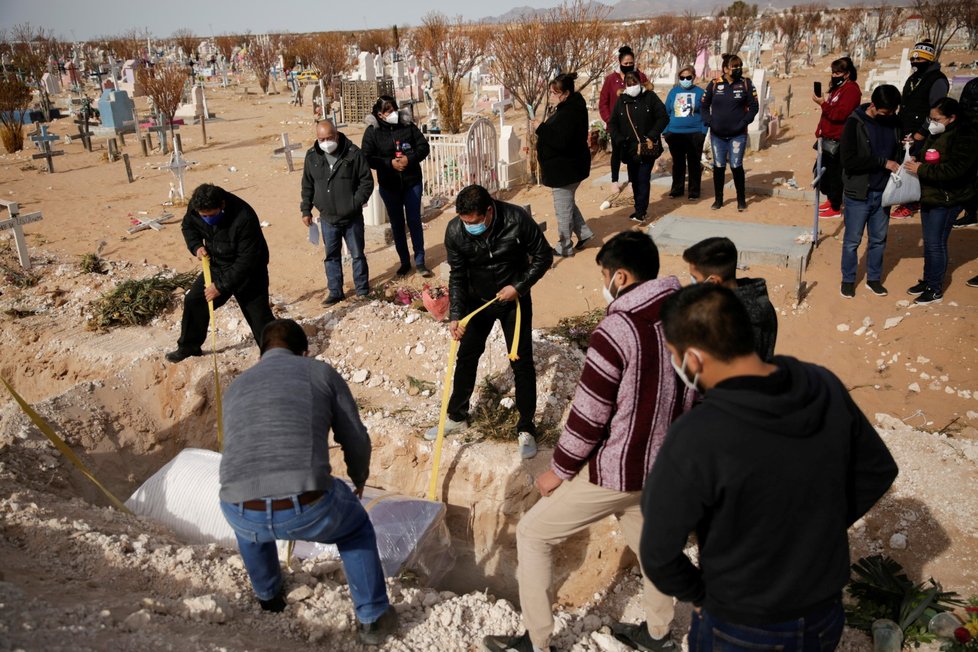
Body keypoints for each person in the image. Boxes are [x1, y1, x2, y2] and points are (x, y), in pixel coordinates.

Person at [641, 284, 899, 652]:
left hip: (742, 624)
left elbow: (657, 552)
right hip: (823, 611)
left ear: (694, 359)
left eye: (674, 355)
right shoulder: (821, 384)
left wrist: (701, 594)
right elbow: (876, 471)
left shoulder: (698, 435)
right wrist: (815, 530)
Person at [483, 232, 693, 652]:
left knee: (534, 534)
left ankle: (537, 642)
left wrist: (558, 472)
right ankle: (657, 634)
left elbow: (590, 416)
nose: (605, 284)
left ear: (621, 276)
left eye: (604, 276)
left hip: (618, 470)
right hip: (664, 467)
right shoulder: (687, 317)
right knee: (651, 546)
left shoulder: (617, 329)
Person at [218, 319, 398, 646]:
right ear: (304, 351)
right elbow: (355, 437)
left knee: (248, 523)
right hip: (306, 505)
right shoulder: (318, 372)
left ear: (261, 355)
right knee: (355, 526)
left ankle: (268, 597)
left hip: (238, 508)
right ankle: (373, 617)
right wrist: (359, 477)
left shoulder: (235, 387)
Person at [427, 185, 553, 458]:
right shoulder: (454, 230)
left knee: (520, 361)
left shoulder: (516, 219)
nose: (468, 226)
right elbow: (457, 275)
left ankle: (526, 428)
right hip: (477, 302)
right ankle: (457, 417)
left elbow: (544, 256)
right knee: (467, 356)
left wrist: (518, 286)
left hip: (513, 302)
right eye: (464, 221)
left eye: (473, 221)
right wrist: (456, 315)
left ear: (488, 211)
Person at [166, 184, 275, 363]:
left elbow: (247, 261)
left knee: (259, 316)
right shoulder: (195, 208)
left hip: (249, 270)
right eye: (204, 216)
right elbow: (188, 227)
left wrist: (221, 286)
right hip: (217, 263)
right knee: (194, 301)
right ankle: (189, 348)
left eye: (211, 215)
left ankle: (277, 355)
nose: (208, 219)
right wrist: (196, 247)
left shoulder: (244, 216)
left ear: (222, 205)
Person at [903, 97, 978, 305]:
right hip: (930, 193)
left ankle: (935, 288)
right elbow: (929, 154)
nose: (932, 122)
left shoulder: (966, 136)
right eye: (930, 118)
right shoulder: (938, 132)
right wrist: (917, 157)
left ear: (952, 118)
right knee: (929, 241)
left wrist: (922, 169)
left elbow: (956, 169)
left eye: (937, 119)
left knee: (936, 243)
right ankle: (928, 280)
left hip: (949, 197)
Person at [839, 84, 903, 299]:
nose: (890, 115)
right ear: (874, 106)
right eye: (886, 112)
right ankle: (848, 280)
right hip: (859, 193)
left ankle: (873, 279)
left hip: (884, 193)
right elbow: (848, 160)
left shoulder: (893, 123)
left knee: (878, 240)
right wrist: (882, 163)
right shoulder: (855, 123)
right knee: (852, 241)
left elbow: (897, 152)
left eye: (893, 112)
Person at [300, 119, 374, 306]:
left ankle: (362, 290)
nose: (325, 143)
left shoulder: (353, 153)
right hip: (327, 218)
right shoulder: (312, 157)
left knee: (357, 254)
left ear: (337, 135)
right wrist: (306, 209)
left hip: (352, 217)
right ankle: (335, 291)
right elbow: (307, 185)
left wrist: (354, 203)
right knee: (331, 256)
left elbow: (366, 182)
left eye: (329, 138)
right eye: (321, 139)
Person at [361, 95, 433, 278]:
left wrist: (410, 159)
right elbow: (368, 157)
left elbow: (423, 147)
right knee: (397, 224)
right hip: (390, 185)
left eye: (394, 109)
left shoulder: (407, 125)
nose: (392, 113)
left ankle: (420, 262)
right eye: (388, 111)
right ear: (380, 114)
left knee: (415, 221)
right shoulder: (372, 132)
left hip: (411, 182)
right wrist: (389, 163)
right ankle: (404, 262)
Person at [682, 236, 778, 361]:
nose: (693, 282)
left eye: (695, 277)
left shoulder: (727, 320)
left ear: (713, 281)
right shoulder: (759, 300)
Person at [536, 72, 594, 257]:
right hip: (567, 168)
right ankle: (584, 234)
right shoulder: (570, 107)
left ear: (566, 93)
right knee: (567, 204)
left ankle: (564, 246)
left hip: (566, 170)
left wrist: (540, 128)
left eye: (555, 93)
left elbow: (561, 141)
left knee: (563, 210)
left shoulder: (570, 112)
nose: (552, 96)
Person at [892, 39, 950, 219]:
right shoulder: (914, 77)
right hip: (906, 129)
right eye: (913, 60)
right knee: (906, 163)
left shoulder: (937, 80)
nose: (915, 63)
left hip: (921, 132)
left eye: (920, 60)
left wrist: (921, 132)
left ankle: (912, 203)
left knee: (915, 166)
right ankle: (909, 198)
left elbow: (936, 109)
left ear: (930, 60)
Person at [608, 71, 668, 222]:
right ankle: (638, 208)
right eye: (629, 83)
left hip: (647, 147)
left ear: (640, 82)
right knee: (634, 179)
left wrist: (652, 135)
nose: (632, 86)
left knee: (643, 178)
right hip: (629, 148)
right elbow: (613, 122)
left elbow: (663, 117)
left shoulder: (650, 97)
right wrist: (619, 138)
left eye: (634, 82)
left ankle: (641, 211)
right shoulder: (622, 100)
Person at [702, 53, 759, 212]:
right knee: (719, 166)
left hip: (737, 135)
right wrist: (709, 121)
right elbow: (704, 106)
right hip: (717, 135)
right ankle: (718, 200)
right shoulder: (714, 84)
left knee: (736, 165)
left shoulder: (746, 84)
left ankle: (741, 200)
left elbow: (754, 107)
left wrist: (743, 122)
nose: (738, 69)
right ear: (725, 69)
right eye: (734, 67)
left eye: (740, 66)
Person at [813, 57, 861, 218]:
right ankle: (830, 200)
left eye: (838, 72)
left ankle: (835, 206)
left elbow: (839, 114)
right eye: (833, 73)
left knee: (835, 174)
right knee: (824, 173)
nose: (834, 76)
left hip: (839, 139)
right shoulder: (837, 88)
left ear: (847, 74)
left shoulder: (851, 90)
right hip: (827, 137)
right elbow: (829, 112)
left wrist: (822, 104)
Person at [599, 46, 649, 193]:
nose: (628, 66)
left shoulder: (640, 76)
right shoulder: (611, 80)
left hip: (635, 125)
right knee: (616, 153)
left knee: (633, 154)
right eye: (625, 63)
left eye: (630, 63)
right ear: (620, 62)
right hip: (616, 125)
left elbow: (647, 96)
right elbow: (603, 102)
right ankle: (615, 180)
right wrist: (609, 120)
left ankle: (633, 180)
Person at [663, 65, 708, 200]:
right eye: (682, 77)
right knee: (678, 162)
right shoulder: (673, 92)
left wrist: (703, 132)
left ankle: (694, 191)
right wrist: (666, 132)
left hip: (695, 133)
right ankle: (677, 189)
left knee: (694, 162)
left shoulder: (700, 93)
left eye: (688, 77)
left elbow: (705, 113)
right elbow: (666, 112)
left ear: (693, 77)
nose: (685, 79)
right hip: (675, 133)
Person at [952, 77, 978, 230]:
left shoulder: (971, 85)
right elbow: (963, 110)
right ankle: (970, 213)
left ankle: (970, 212)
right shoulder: (972, 85)